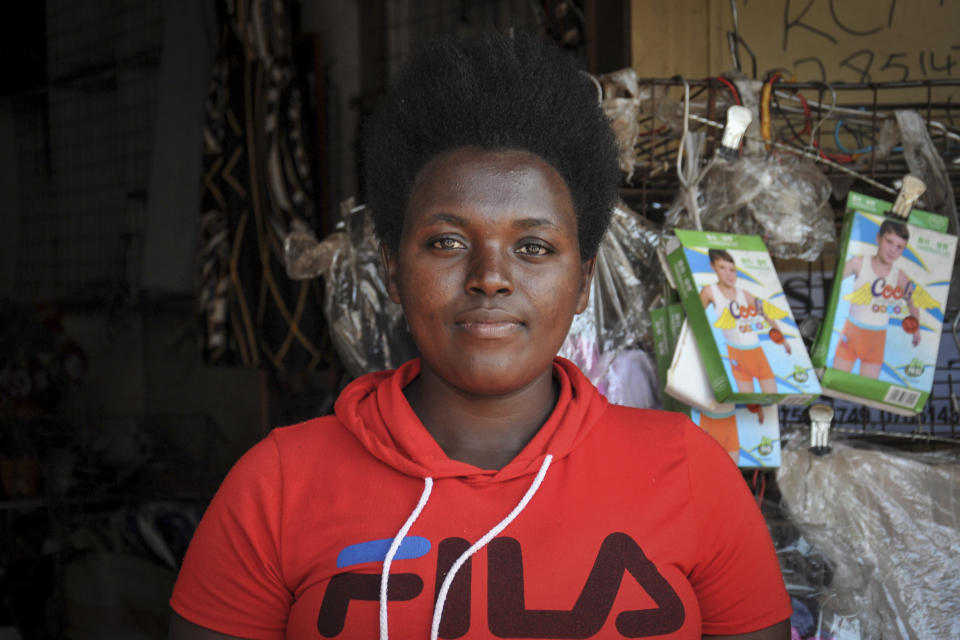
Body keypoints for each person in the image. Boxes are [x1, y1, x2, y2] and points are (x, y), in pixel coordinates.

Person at [169, 33, 792, 640]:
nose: (490, 277)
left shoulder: (690, 474)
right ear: (391, 270)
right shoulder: (277, 486)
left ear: (582, 283)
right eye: (448, 242)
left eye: (533, 247)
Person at [834, 219, 920, 379]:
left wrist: (916, 329)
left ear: (903, 250)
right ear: (878, 238)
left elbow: (912, 302)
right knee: (835, 380)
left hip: (877, 340)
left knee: (867, 390)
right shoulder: (857, 263)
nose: (893, 250)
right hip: (851, 333)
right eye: (889, 242)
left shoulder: (899, 276)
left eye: (899, 247)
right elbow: (834, 286)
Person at [700, 249, 791, 395]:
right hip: (736, 354)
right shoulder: (709, 291)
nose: (728, 274)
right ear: (713, 267)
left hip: (757, 353)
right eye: (722, 268)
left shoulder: (744, 294)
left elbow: (767, 315)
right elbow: (696, 319)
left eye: (732, 270)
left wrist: (783, 340)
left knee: (771, 397)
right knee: (748, 403)